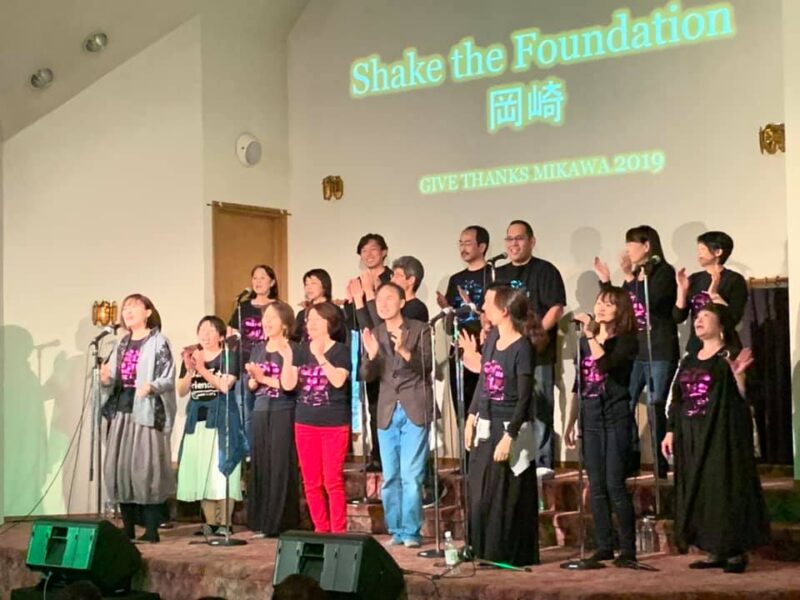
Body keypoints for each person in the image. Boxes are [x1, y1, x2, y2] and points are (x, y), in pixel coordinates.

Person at [662, 304, 769, 573]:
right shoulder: (689, 359)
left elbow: (749, 398)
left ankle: (734, 551)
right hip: (690, 434)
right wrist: (671, 430)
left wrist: (739, 376)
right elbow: (678, 398)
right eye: (697, 317)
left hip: (721, 434)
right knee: (700, 491)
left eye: (706, 316)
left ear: (721, 326)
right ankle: (713, 548)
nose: (698, 320)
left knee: (722, 489)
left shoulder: (731, 355)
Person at [460, 284, 541, 566]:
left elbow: (525, 398)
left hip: (510, 426)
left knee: (504, 493)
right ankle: (478, 546)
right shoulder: (493, 337)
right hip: (487, 422)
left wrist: (509, 435)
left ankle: (503, 552)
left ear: (504, 310)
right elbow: (484, 380)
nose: (483, 307)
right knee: (479, 489)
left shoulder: (522, 347)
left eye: (488, 302)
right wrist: (472, 415)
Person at [594, 225, 678, 477]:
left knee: (655, 405)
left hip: (659, 350)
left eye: (632, 244)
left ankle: (660, 466)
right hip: (635, 350)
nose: (627, 249)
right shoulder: (634, 275)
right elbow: (622, 306)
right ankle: (628, 461)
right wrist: (606, 282)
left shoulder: (664, 272)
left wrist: (630, 278)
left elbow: (651, 302)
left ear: (647, 246)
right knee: (625, 402)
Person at [564, 287, 639, 567]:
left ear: (621, 309)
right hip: (591, 417)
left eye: (609, 304)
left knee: (614, 484)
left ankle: (628, 549)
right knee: (595, 485)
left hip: (615, 417)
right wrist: (570, 421)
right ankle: (604, 545)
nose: (601, 308)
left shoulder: (627, 340)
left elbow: (605, 365)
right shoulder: (585, 342)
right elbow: (579, 383)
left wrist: (591, 336)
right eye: (599, 303)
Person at [360, 282, 433, 548]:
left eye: (389, 298)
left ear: (402, 302)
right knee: (390, 477)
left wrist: (404, 350)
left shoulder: (420, 329)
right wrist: (371, 356)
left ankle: (412, 531)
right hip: (387, 410)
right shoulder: (375, 333)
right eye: (379, 299)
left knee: (411, 476)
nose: (383, 304)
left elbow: (428, 366)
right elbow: (366, 375)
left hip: (415, 407)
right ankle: (397, 530)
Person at [101, 294, 176, 543]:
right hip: (122, 411)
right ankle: (128, 528)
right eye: (125, 308)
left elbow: (168, 376)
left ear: (148, 312)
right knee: (120, 468)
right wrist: (105, 378)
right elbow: (112, 376)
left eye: (134, 306)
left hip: (147, 412)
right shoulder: (122, 343)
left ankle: (152, 530)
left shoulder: (158, 342)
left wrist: (151, 386)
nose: (128, 311)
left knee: (146, 470)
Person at [494, 220, 566, 478]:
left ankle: (544, 460)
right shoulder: (499, 274)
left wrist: (530, 338)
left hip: (538, 351)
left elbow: (556, 308)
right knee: (511, 403)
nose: (513, 244)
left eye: (519, 238)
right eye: (509, 239)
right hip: (507, 353)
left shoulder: (545, 271)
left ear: (531, 241)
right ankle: (514, 457)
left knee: (540, 404)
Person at [283, 302, 351, 533]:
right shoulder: (301, 350)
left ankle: (338, 531)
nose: (310, 324)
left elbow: (338, 381)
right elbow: (289, 384)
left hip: (334, 424)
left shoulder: (340, 350)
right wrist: (287, 358)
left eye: (316, 320)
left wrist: (320, 356)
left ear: (330, 323)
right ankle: (321, 529)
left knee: (333, 481)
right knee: (311, 482)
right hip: (305, 422)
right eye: (308, 319)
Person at [176, 316, 245, 536]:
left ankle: (225, 522)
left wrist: (202, 368)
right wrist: (190, 370)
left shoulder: (229, 357)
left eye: (211, 330)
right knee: (201, 470)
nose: (205, 334)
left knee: (223, 472)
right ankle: (211, 522)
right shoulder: (193, 357)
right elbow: (181, 390)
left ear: (221, 336)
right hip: (197, 421)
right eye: (202, 330)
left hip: (223, 421)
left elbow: (224, 386)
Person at [244, 302, 301, 537]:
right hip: (260, 410)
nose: (266, 322)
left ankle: (279, 523)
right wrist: (253, 380)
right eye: (264, 317)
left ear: (285, 323)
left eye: (272, 318)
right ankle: (260, 521)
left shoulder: (293, 349)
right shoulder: (258, 348)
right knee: (261, 465)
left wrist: (263, 379)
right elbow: (251, 385)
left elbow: (291, 385)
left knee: (280, 466)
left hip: (283, 410)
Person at [345, 233, 392, 471]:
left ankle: (389, 456)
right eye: (364, 251)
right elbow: (354, 322)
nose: (368, 254)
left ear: (384, 252)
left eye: (373, 249)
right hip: (366, 351)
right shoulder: (357, 282)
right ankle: (376, 456)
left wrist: (369, 294)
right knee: (373, 406)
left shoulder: (391, 280)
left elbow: (381, 321)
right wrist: (348, 302)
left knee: (388, 406)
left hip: (388, 351)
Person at [437, 226, 491, 419]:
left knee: (483, 409)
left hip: (484, 348)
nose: (463, 248)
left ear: (482, 246)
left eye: (468, 243)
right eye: (460, 243)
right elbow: (449, 324)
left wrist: (473, 307)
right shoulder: (456, 279)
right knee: (462, 408)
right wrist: (446, 309)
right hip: (459, 349)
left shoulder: (493, 275)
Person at [228, 264, 280, 445]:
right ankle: (250, 451)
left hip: (271, 368)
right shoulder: (242, 307)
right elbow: (231, 334)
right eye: (255, 278)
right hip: (245, 367)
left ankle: (268, 448)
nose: (258, 282)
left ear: (272, 282)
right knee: (245, 413)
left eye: (262, 278)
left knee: (268, 412)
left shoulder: (278, 307)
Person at [674, 231, 748, 354]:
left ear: (718, 252)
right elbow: (678, 317)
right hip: (697, 347)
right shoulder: (694, 279)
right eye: (698, 249)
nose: (699, 254)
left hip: (724, 346)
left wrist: (715, 295)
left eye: (703, 249)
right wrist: (682, 290)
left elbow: (734, 318)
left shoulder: (734, 280)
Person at [295, 268, 346, 343]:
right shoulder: (302, 314)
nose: (309, 287)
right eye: (306, 284)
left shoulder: (335, 311)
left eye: (313, 283)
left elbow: (341, 337)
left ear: (324, 286)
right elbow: (295, 339)